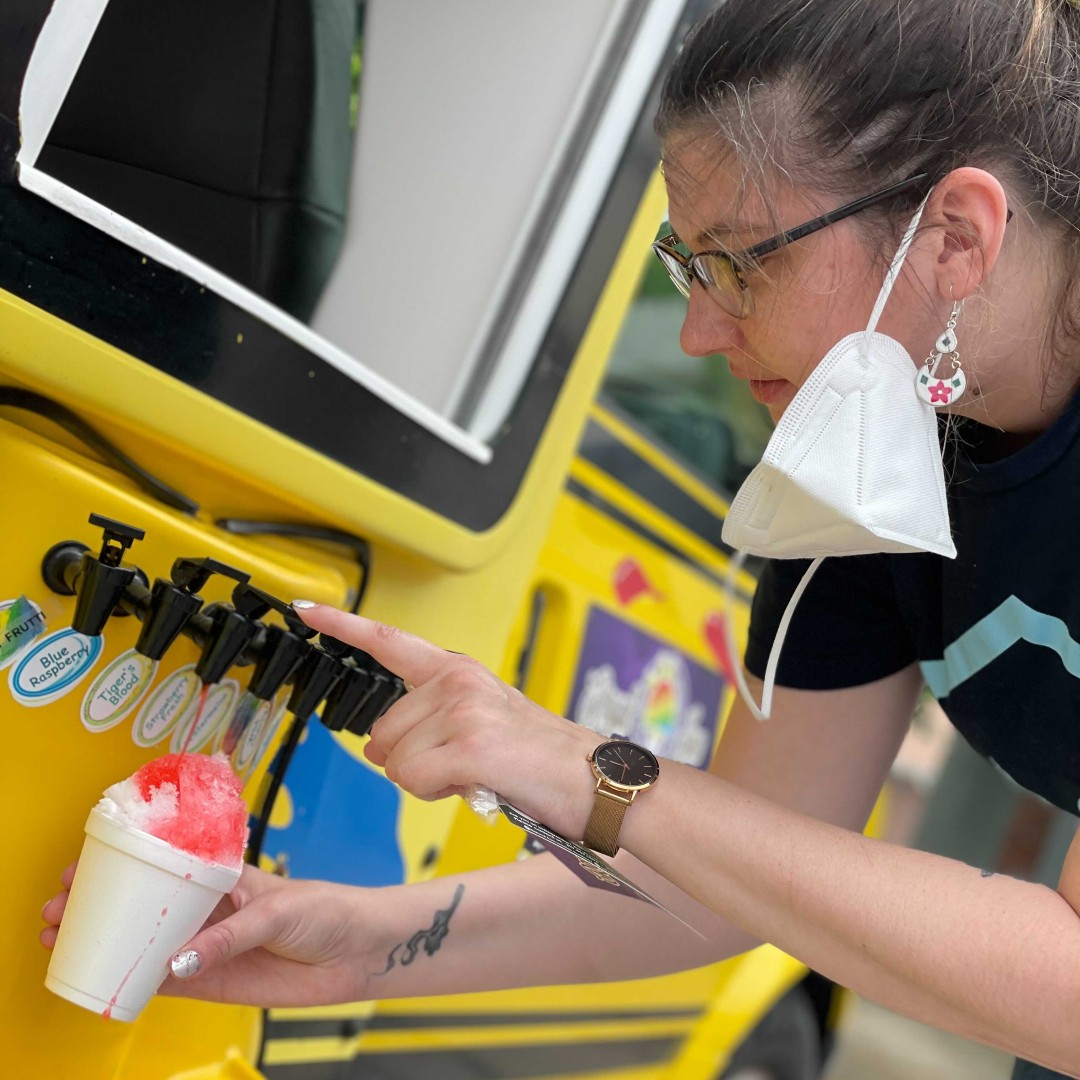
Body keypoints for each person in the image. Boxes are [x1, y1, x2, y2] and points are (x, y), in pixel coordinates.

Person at [41, 1, 1080, 1076]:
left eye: (740, 265)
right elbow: (730, 874)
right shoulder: (875, 464)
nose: (699, 330)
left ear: (956, 236)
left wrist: (583, 766)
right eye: (689, 267)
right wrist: (364, 946)